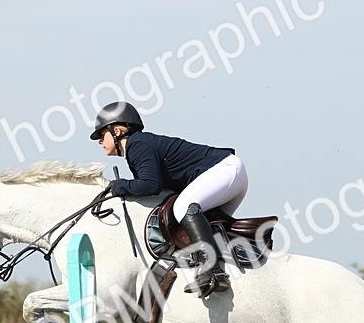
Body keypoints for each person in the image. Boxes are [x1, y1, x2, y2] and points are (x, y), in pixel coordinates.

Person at [91, 101, 247, 298]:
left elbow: (150, 185)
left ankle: (213, 272)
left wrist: (117, 185)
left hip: (225, 170)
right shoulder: (139, 146)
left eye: (102, 135)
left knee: (183, 207)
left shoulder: (137, 144)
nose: (99, 142)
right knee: (202, 229)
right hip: (231, 175)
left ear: (117, 130)